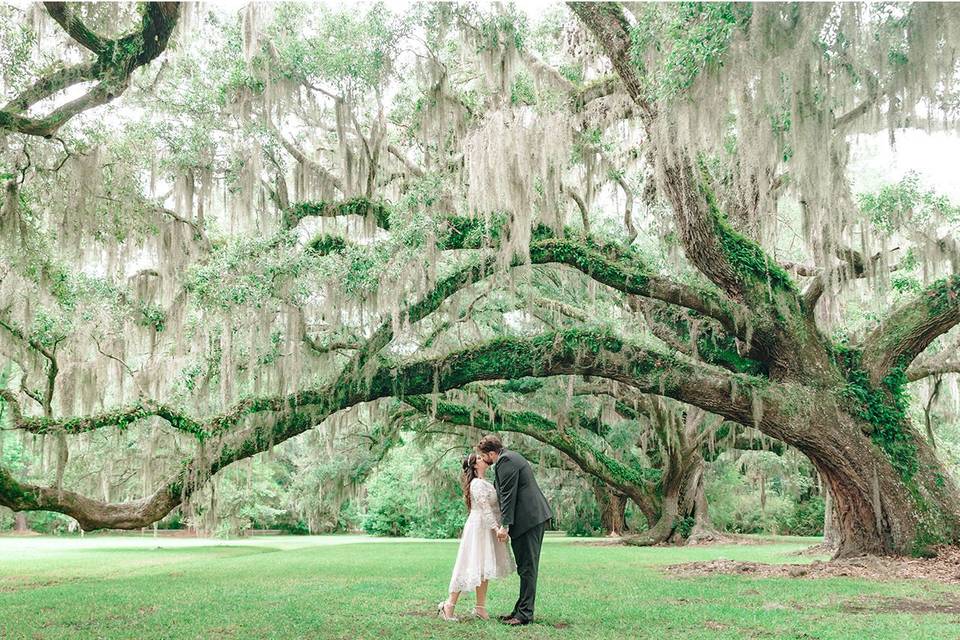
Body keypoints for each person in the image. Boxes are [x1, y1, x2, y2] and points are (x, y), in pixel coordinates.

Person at [477, 434, 552, 626]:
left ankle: (525, 614)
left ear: (491, 453)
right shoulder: (509, 458)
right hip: (528, 520)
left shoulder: (506, 460)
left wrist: (505, 526)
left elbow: (509, 496)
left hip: (529, 520)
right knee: (525, 567)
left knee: (528, 567)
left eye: (484, 456)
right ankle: (519, 610)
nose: (484, 460)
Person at [438, 452, 516, 622]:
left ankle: (480, 608)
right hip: (479, 528)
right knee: (468, 564)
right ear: (474, 466)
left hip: (485, 526)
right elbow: (485, 508)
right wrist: (497, 529)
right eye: (479, 459)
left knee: (483, 567)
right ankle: (448, 606)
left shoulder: (484, 482)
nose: (483, 459)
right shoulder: (477, 484)